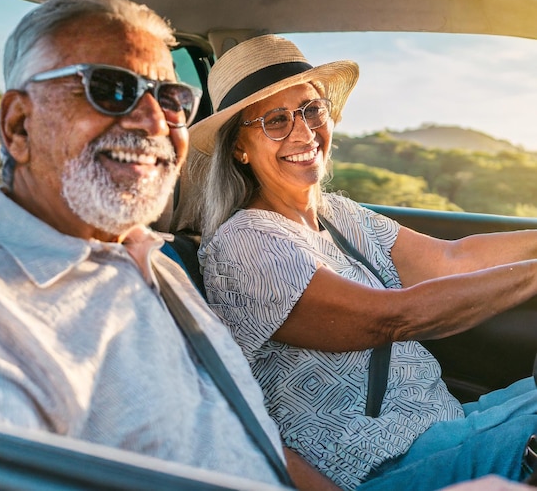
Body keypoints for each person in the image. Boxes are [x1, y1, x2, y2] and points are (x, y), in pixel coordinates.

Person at [0, 0, 340, 490]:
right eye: (111, 90)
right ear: (18, 125)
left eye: (172, 99)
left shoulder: (152, 259)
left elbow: (244, 441)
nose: (156, 123)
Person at [186, 34, 537, 491]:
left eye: (312, 109)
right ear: (240, 149)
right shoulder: (246, 242)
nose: (304, 132)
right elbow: (393, 317)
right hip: (377, 462)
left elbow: (452, 258)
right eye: (275, 120)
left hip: (441, 424)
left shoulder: (340, 215)